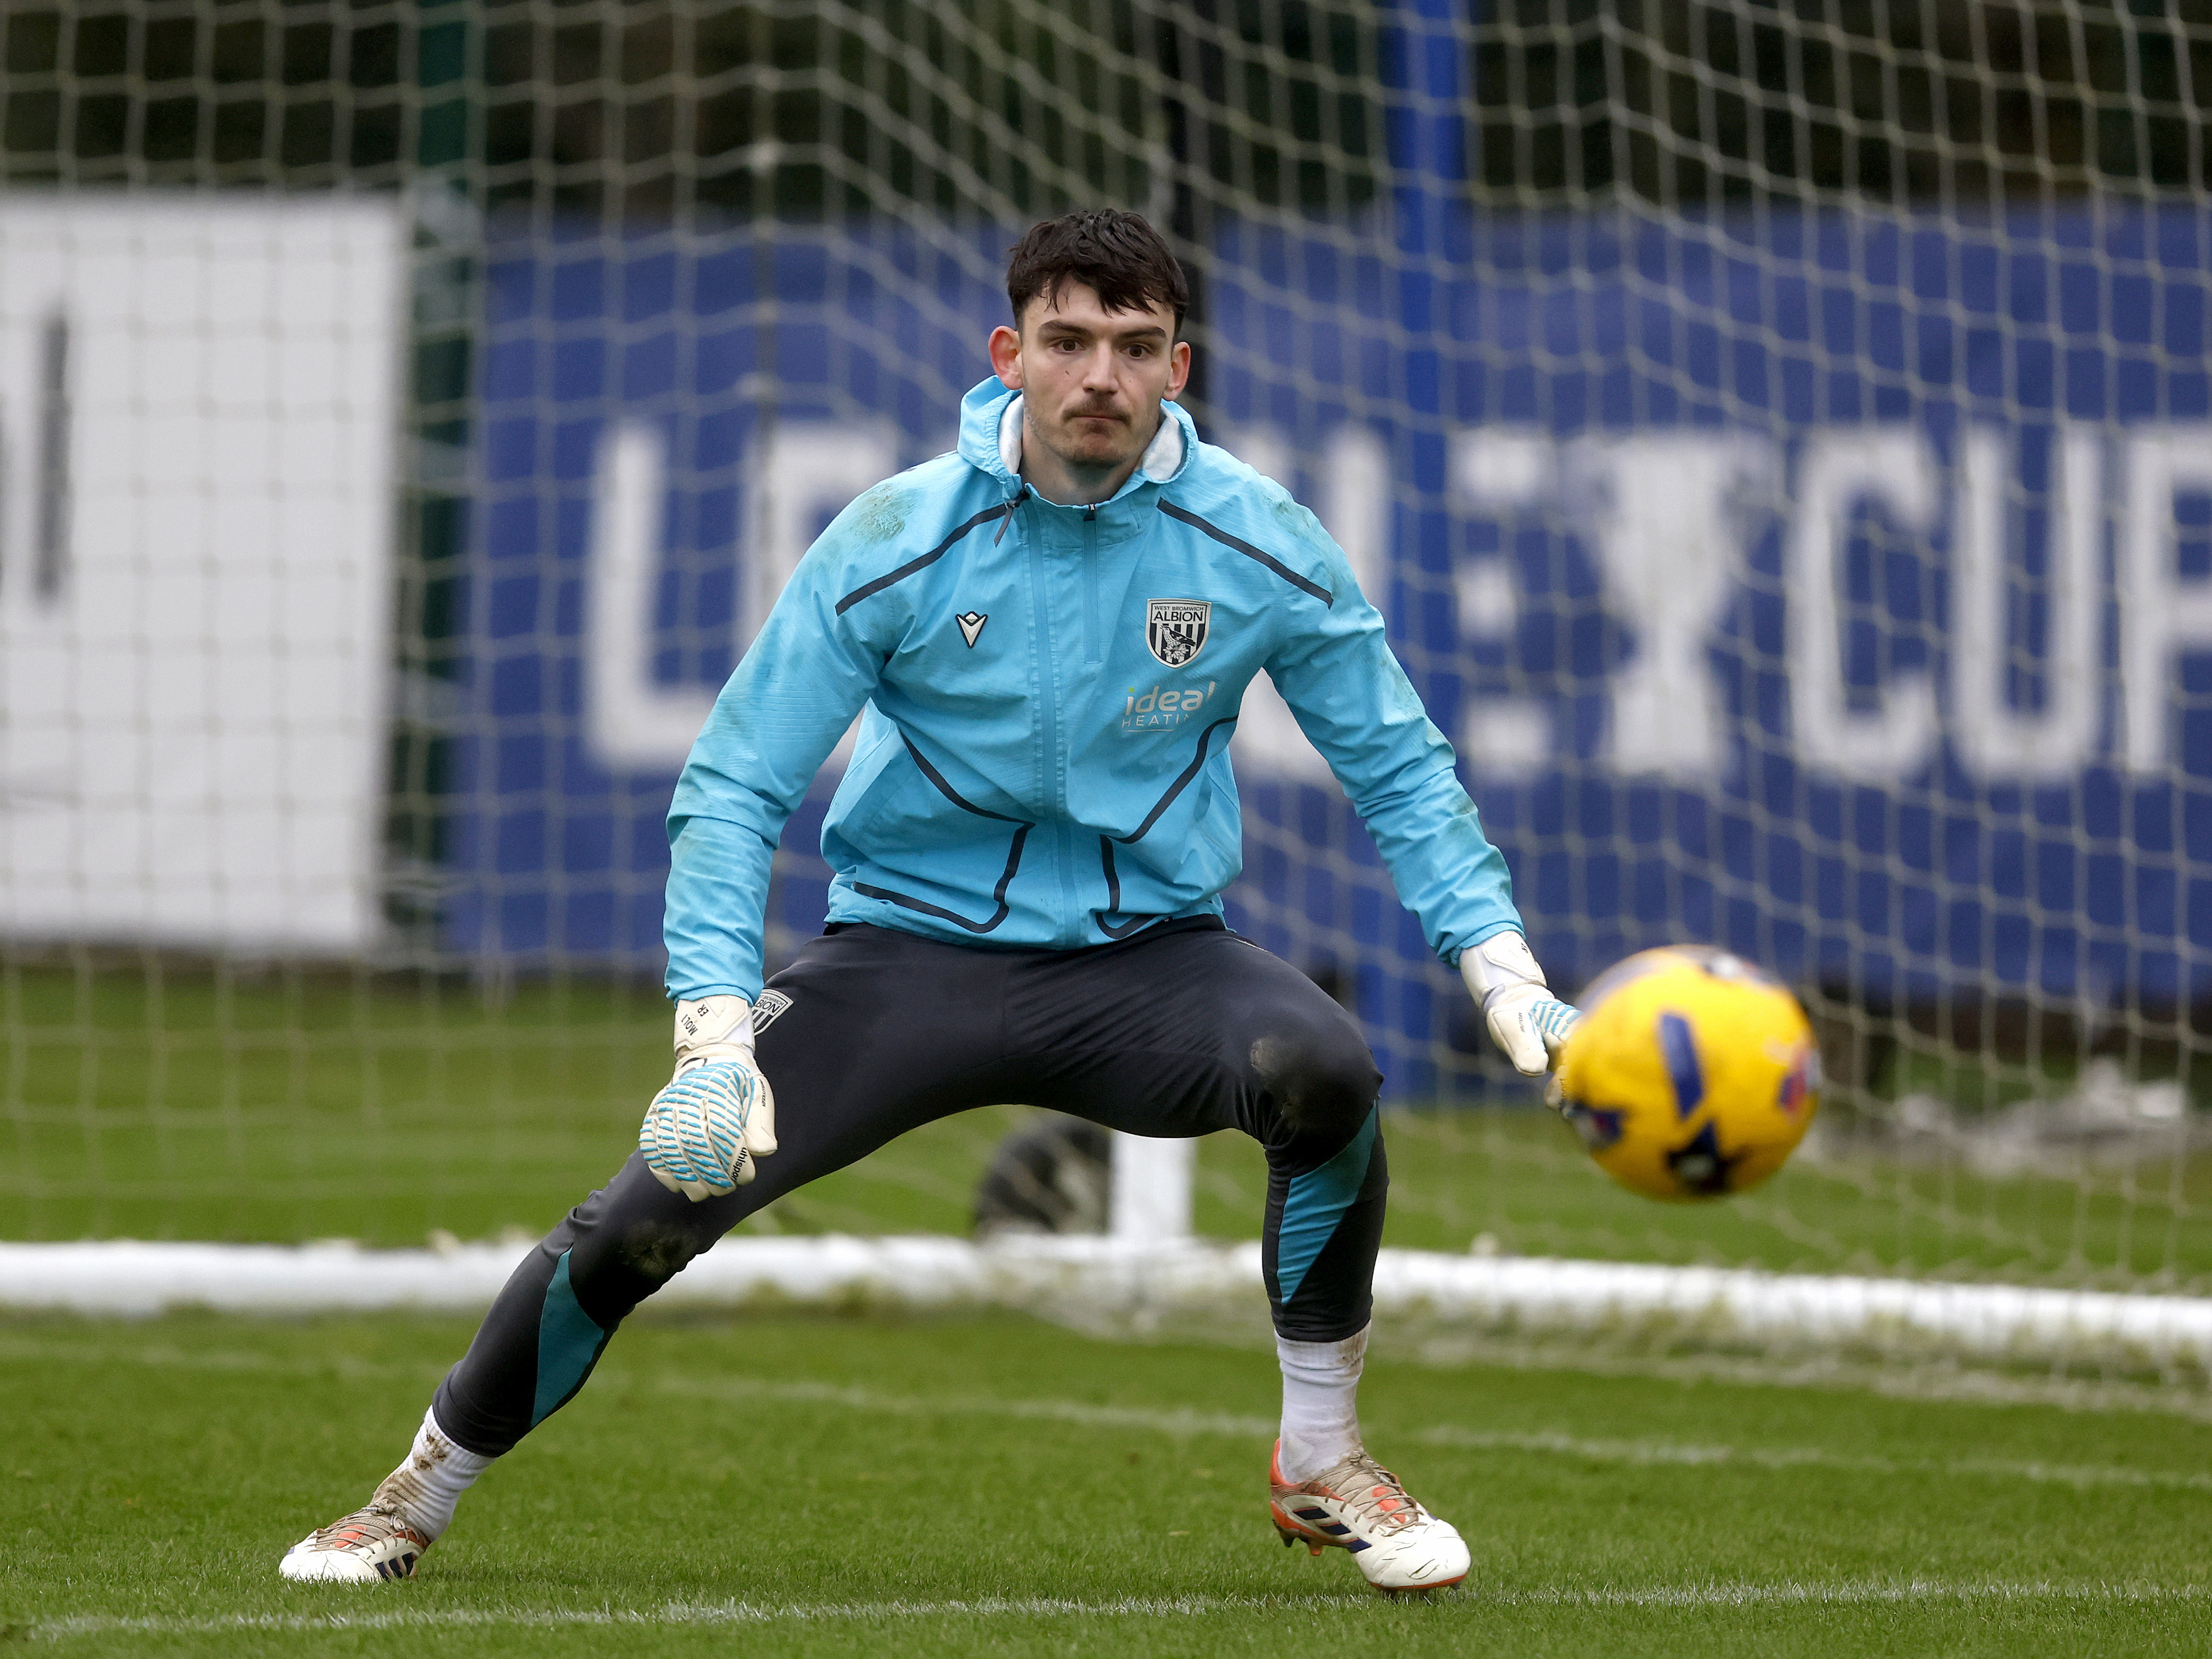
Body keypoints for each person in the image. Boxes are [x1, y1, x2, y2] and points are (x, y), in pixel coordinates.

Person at [280, 209, 1578, 1597]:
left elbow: (1398, 763)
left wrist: (1497, 965)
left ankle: (1321, 1459)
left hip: (1148, 962)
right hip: (902, 958)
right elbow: (732, 785)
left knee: (1324, 1067)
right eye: (1069, 341)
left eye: (1135, 348)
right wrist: (712, 1036)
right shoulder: (893, 535)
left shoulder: (1262, 540)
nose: (1101, 376)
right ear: (1007, 353)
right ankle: (408, 1496)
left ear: (1178, 368)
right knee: (650, 1206)